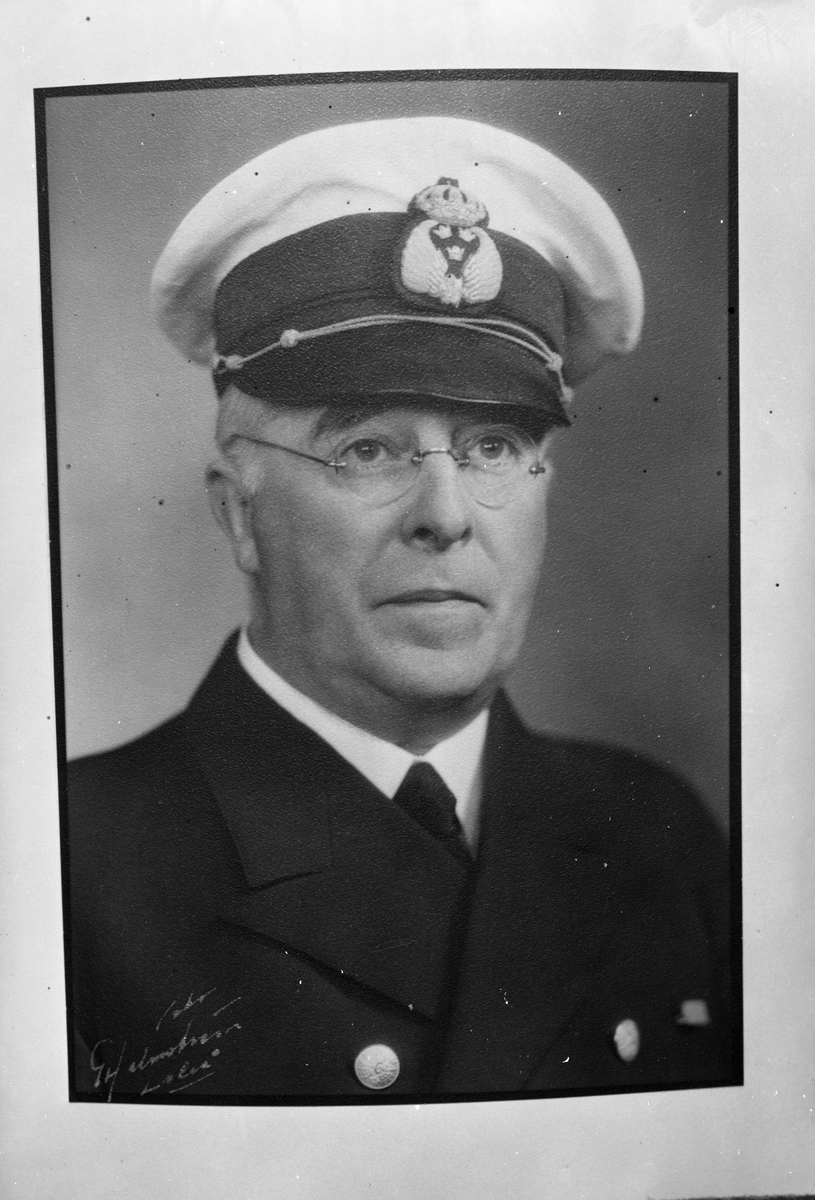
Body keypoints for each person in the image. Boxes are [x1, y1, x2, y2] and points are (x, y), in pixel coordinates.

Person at [67, 116, 732, 1101]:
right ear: (239, 514)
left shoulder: (655, 833)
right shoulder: (69, 865)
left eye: (494, 448)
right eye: (367, 449)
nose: (445, 516)